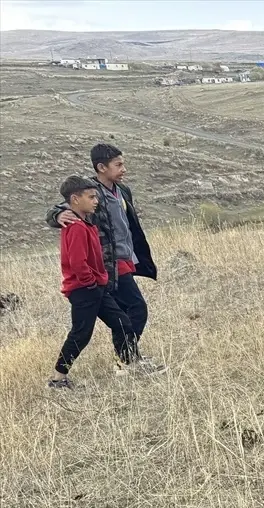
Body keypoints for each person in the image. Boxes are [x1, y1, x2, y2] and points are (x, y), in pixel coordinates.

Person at [48, 143, 163, 372]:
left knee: (123, 314)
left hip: (125, 258)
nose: (124, 169)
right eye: (118, 165)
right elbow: (63, 207)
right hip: (107, 264)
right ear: (101, 167)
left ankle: (127, 358)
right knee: (136, 308)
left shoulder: (123, 191)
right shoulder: (89, 191)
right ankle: (127, 360)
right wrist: (58, 213)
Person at [48, 176, 140, 389]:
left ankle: (129, 363)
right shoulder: (77, 227)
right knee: (81, 333)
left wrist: (99, 282)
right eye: (90, 197)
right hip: (84, 289)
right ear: (75, 199)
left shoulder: (85, 223)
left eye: (96, 196)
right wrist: (90, 282)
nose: (95, 201)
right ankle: (57, 378)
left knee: (121, 322)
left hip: (96, 287)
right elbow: (77, 262)